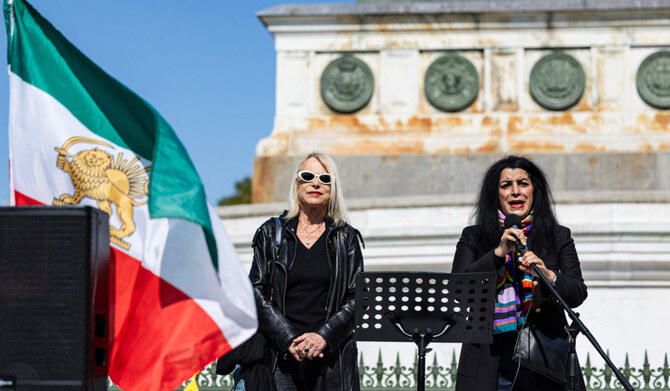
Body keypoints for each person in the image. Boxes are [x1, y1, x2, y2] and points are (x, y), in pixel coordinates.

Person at [451, 155, 588, 391]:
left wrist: (548, 275)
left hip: (543, 360)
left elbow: (577, 292)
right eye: (506, 185)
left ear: (535, 191)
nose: (515, 191)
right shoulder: (473, 237)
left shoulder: (558, 236)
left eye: (523, 183)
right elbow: (458, 289)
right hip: (490, 361)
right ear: (496, 194)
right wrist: (497, 254)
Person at [248, 152, 364, 391]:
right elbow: (255, 290)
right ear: (297, 183)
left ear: (333, 188)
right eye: (308, 175)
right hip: (280, 359)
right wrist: (288, 339)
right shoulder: (271, 233)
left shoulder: (346, 237)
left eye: (324, 178)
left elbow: (357, 297)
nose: (316, 183)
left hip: (331, 359)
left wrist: (323, 337)